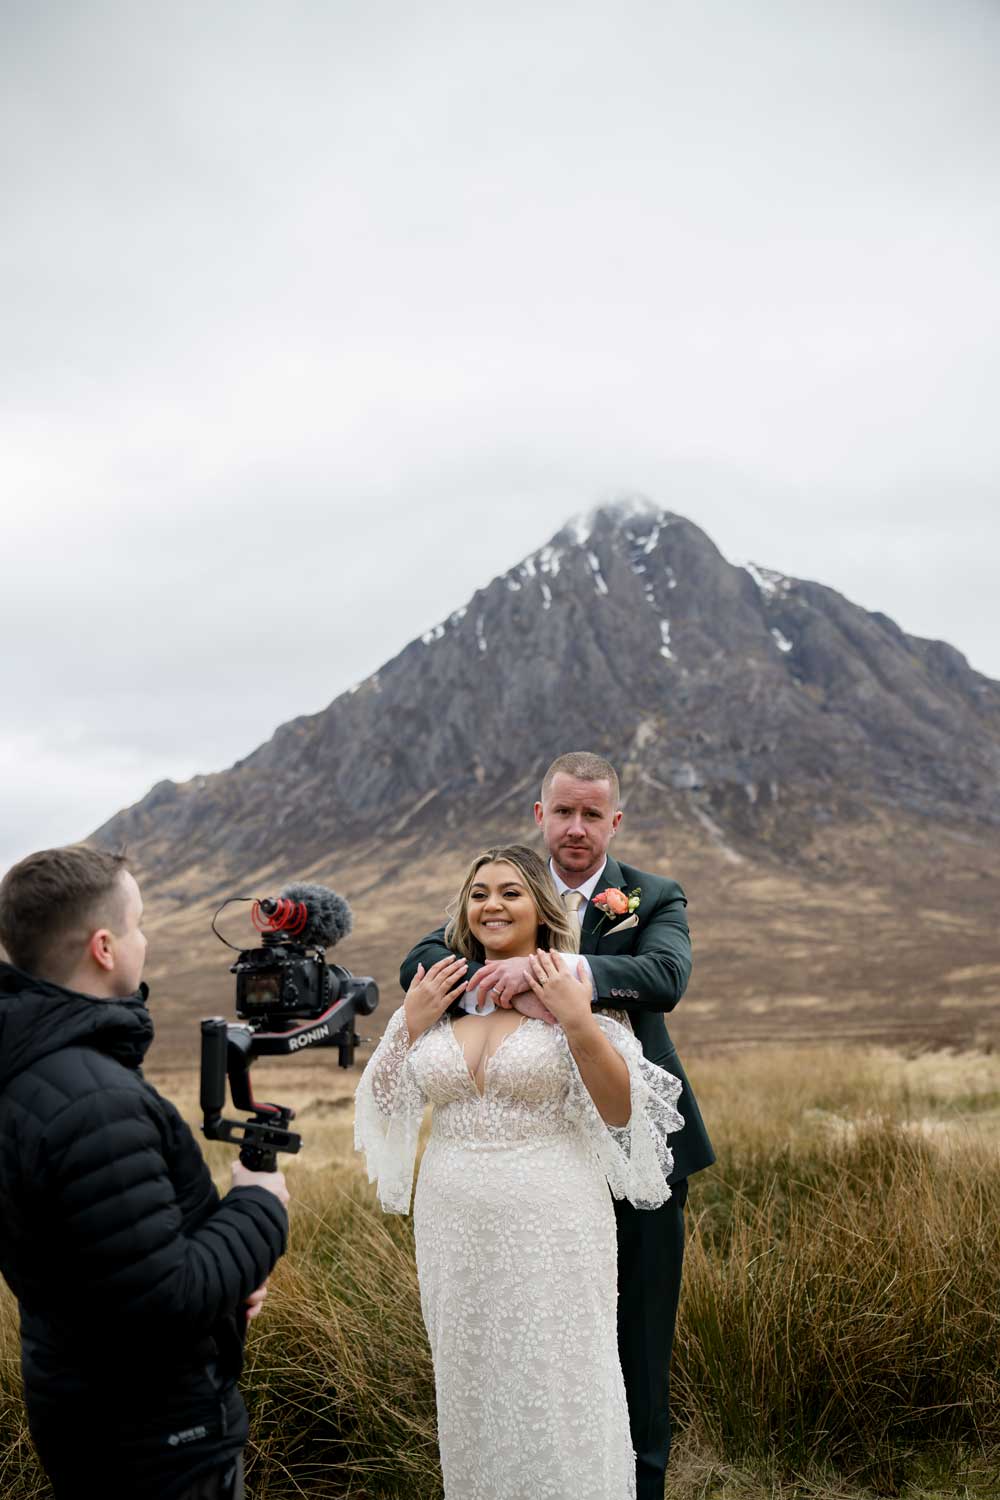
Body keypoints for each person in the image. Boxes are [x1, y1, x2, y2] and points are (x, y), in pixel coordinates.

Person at [402, 752, 715, 1500]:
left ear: (616, 821)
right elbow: (425, 951)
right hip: (528, 1174)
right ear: (540, 816)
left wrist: (557, 978)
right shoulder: (509, 888)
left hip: (634, 1152)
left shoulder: (653, 896)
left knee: (638, 1348)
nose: (577, 828)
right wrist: (489, 984)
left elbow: (666, 978)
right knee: (528, 1347)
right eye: (563, 813)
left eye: (592, 814)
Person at [0, 845, 290, 1500]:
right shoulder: (94, 1100)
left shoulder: (32, 1069)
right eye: (137, 924)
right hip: (155, 1439)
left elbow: (107, 1266)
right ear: (104, 947)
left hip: (85, 1410)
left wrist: (227, 1275)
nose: (145, 939)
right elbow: (165, 1300)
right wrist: (259, 1205)